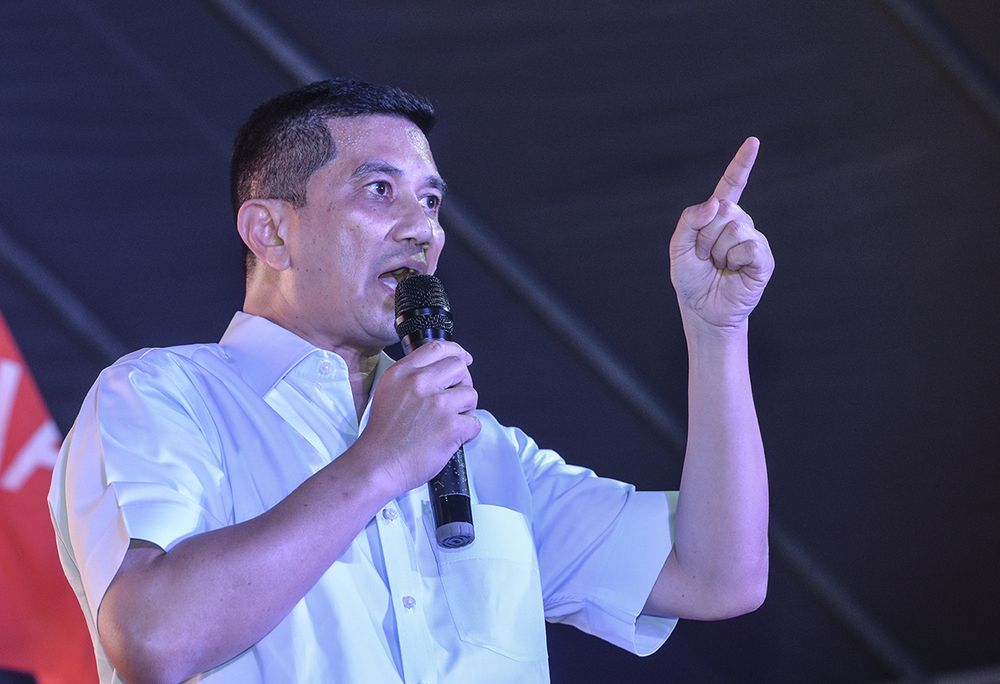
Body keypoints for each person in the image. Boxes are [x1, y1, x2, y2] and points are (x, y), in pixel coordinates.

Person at [48, 78, 772, 684]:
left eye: (430, 200)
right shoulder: (163, 395)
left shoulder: (482, 449)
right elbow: (150, 637)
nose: (421, 227)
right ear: (270, 232)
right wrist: (379, 463)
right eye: (379, 190)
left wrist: (716, 333)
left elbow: (719, 576)